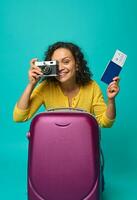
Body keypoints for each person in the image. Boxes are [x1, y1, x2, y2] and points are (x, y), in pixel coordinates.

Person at [13, 41, 120, 127]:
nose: (60, 68)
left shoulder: (91, 87)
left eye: (66, 61)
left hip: (83, 144)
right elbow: (19, 117)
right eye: (55, 63)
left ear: (77, 64)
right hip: (55, 142)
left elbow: (106, 123)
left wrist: (111, 100)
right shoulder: (45, 87)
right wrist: (31, 84)